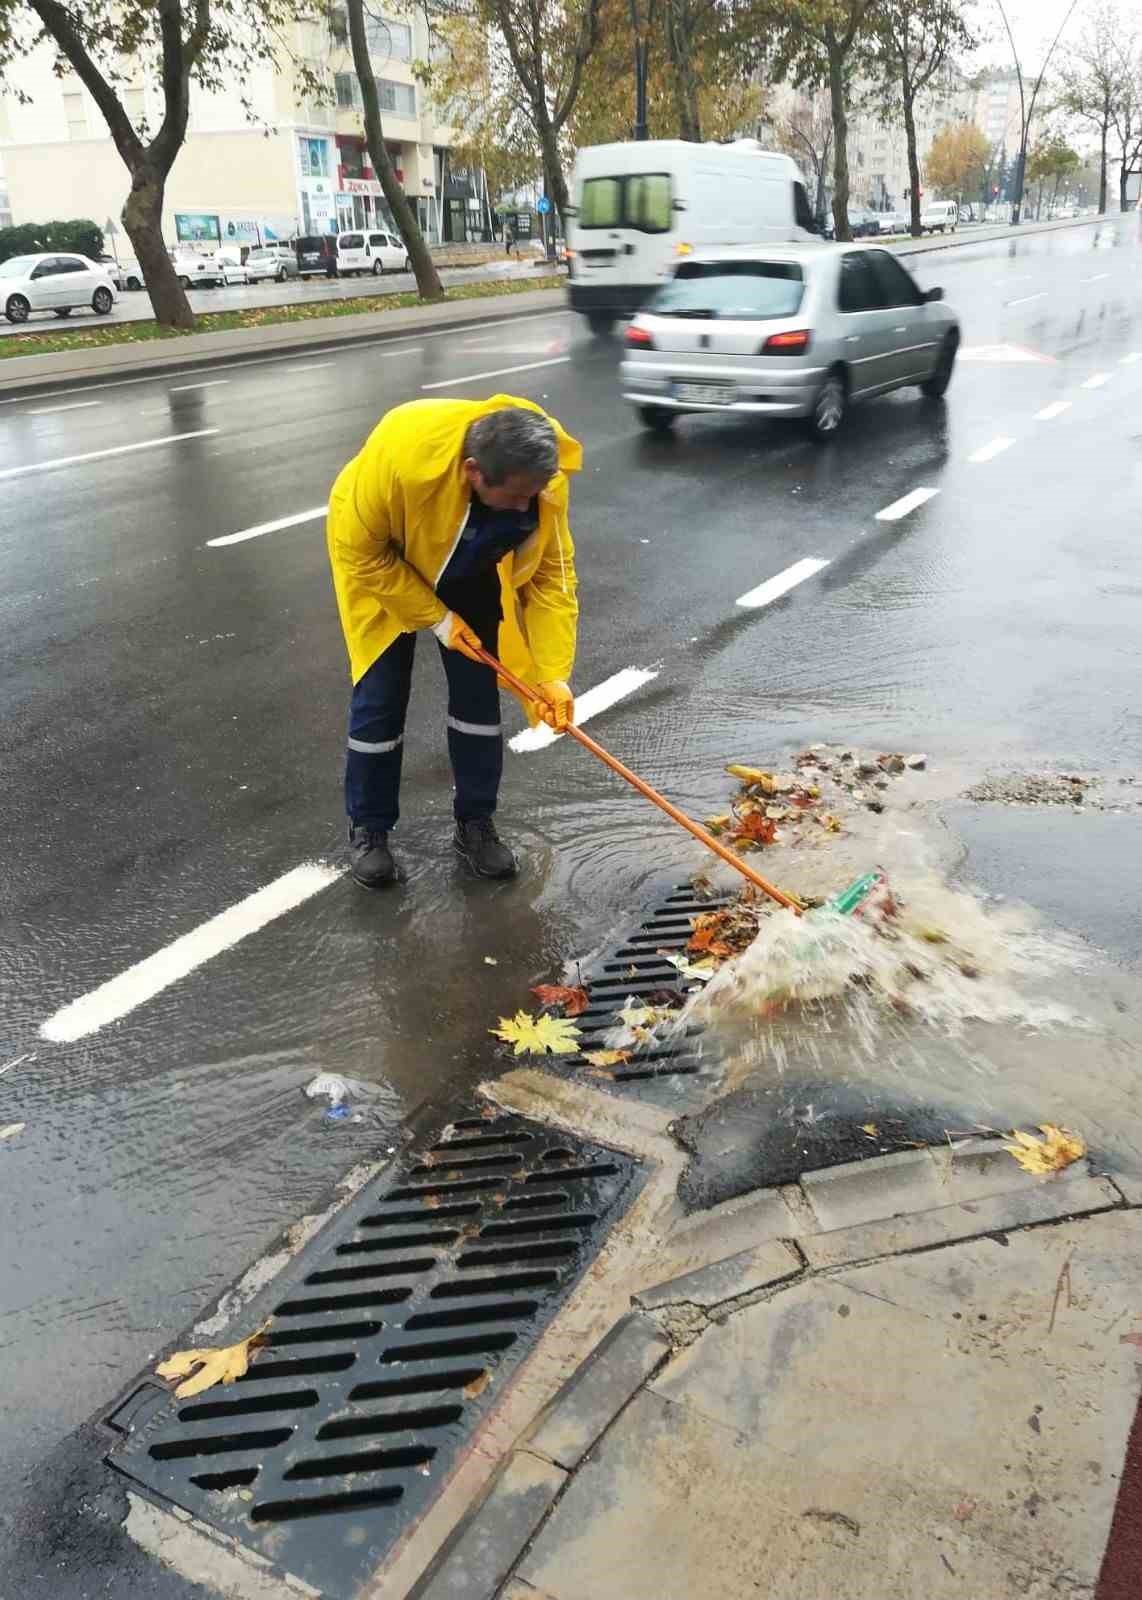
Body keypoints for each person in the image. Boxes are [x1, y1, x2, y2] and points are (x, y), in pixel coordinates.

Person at [327, 397, 580, 887]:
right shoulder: (399, 460)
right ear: (472, 471)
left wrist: (553, 675)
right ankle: (370, 830)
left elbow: (552, 577)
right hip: (385, 559)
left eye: (535, 494)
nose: (527, 506)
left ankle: (476, 823)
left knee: (478, 698)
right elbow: (359, 552)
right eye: (516, 496)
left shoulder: (541, 476)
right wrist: (436, 618)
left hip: (470, 563)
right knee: (380, 697)